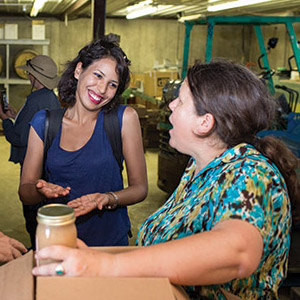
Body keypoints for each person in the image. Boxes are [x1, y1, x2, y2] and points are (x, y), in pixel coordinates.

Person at [31, 59, 299, 300]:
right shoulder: (199, 168)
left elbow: (238, 251)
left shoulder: (249, 174)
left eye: (180, 100)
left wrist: (105, 266)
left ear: (204, 123)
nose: (170, 104)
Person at [18, 37, 148, 247]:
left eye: (112, 84)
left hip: (109, 246)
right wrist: (39, 190)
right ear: (79, 71)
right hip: (59, 243)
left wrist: (108, 198)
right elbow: (25, 192)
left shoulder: (124, 119)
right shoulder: (44, 123)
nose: (102, 89)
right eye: (97, 75)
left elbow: (140, 188)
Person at [0, 55, 61, 248]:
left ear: (35, 77)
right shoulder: (51, 98)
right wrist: (16, 115)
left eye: (29, 73)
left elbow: (19, 138)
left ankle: (37, 251)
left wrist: (4, 120)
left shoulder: (35, 100)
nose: (28, 76)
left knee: (32, 210)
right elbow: (35, 124)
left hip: (31, 163)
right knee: (43, 208)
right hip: (46, 161)